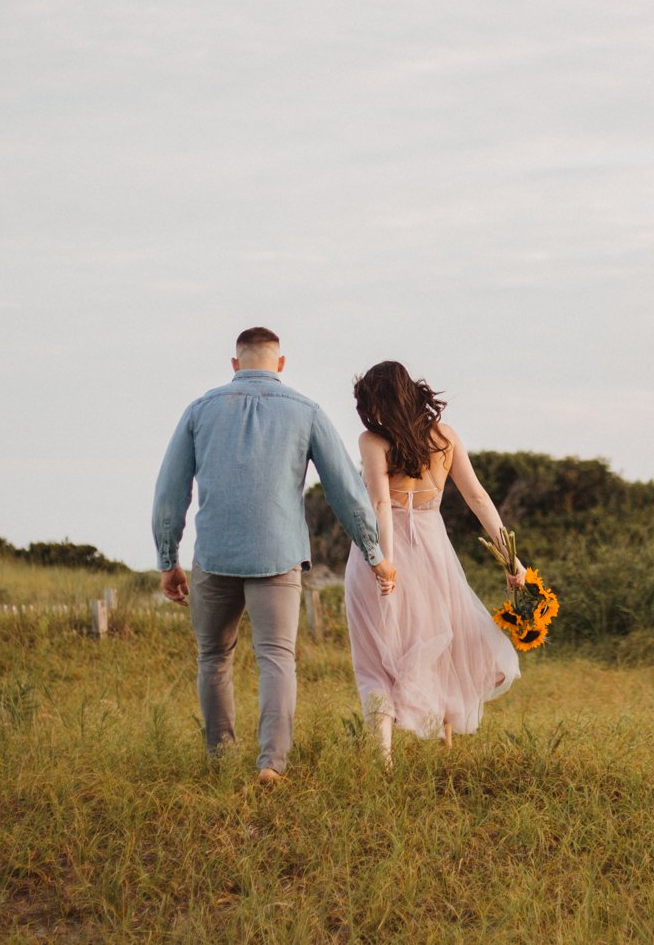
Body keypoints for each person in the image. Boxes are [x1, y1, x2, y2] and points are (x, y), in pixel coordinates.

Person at [152, 327, 399, 784]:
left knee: (213, 656)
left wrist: (169, 560)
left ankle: (220, 757)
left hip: (214, 556)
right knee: (276, 657)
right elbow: (348, 491)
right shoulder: (305, 411)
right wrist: (375, 552)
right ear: (280, 364)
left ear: (235, 364)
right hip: (278, 555)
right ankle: (271, 765)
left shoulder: (199, 411)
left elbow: (170, 492)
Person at [343, 361, 523, 765]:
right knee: (440, 641)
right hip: (433, 550)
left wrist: (383, 563)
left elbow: (379, 505)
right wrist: (512, 560)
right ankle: (445, 743)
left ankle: (384, 758)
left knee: (375, 657)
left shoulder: (373, 442)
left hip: (385, 553)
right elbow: (478, 498)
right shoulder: (446, 438)